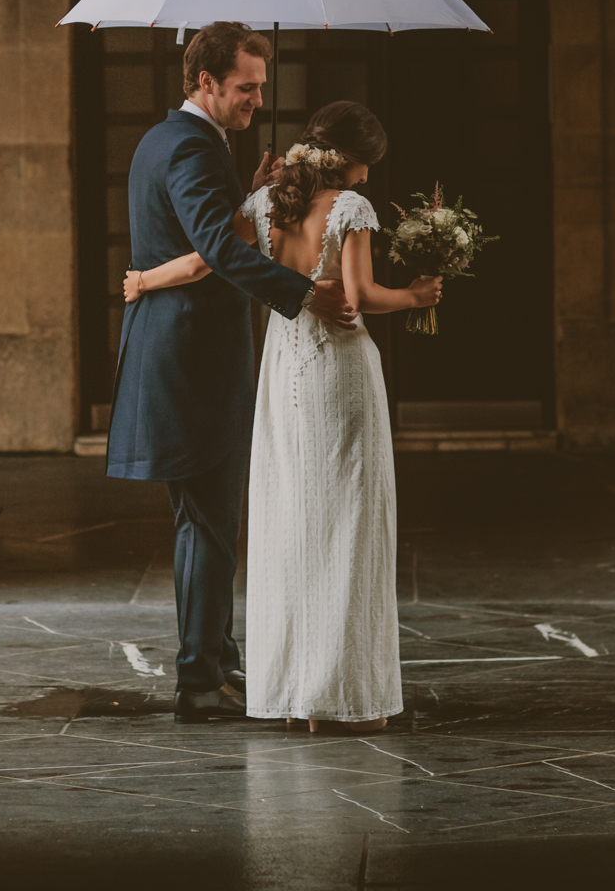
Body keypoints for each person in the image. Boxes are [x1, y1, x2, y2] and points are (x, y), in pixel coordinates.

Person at [126, 100, 440, 733]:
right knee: (349, 521)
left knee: (289, 518)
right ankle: (345, 695)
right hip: (341, 373)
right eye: (366, 163)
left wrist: (143, 281)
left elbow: (207, 258)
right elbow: (356, 300)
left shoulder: (265, 203)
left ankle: (294, 694)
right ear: (349, 158)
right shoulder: (351, 209)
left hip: (280, 373)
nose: (369, 177)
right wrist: (416, 296)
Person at [106, 22, 358, 725]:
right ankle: (198, 679)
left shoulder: (173, 140)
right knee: (209, 524)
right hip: (191, 361)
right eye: (245, 88)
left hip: (180, 354)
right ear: (206, 82)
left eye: (259, 88)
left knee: (206, 520)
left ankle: (217, 661)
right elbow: (215, 247)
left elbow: (205, 230)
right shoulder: (189, 147)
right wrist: (302, 293)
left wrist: (246, 192)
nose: (255, 100)